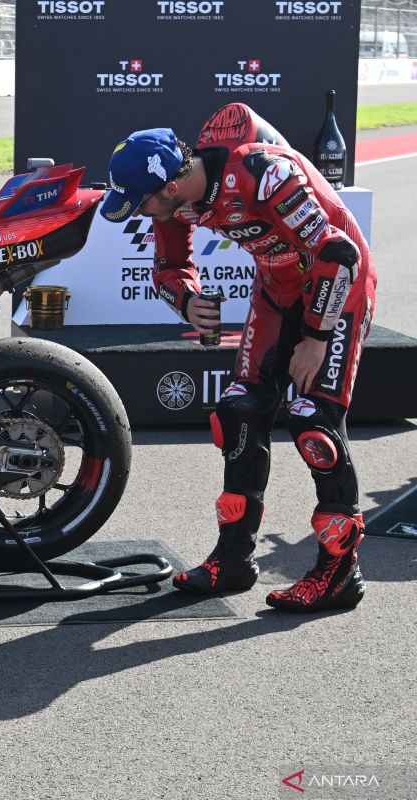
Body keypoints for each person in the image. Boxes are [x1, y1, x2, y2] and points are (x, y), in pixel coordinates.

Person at [99, 103, 377, 612]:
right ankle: (232, 561)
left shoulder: (262, 172)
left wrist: (316, 337)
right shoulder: (176, 201)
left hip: (337, 289)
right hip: (277, 289)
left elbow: (337, 254)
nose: (138, 212)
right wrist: (186, 298)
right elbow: (169, 265)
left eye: (139, 202)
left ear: (167, 187)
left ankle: (340, 573)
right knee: (239, 412)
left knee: (315, 424)